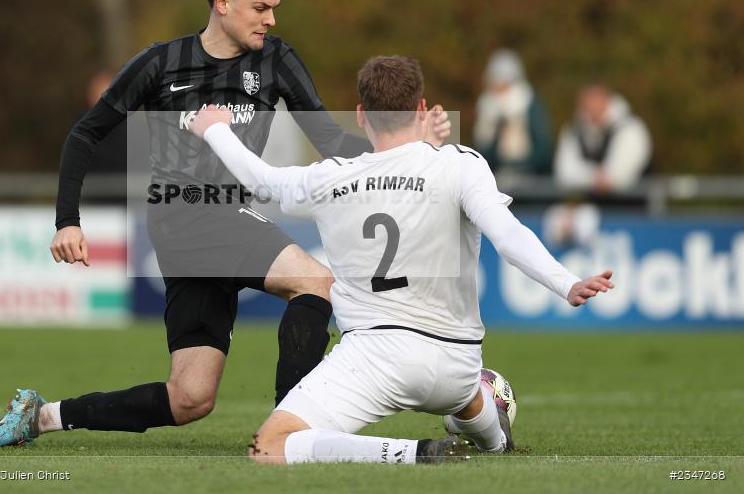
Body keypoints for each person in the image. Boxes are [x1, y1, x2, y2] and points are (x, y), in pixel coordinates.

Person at [0, 0, 450, 447]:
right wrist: (67, 219)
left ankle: (42, 416)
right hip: (183, 217)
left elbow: (331, 142)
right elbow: (84, 134)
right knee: (316, 283)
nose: (271, 19)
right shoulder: (161, 63)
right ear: (222, 3)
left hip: (228, 219)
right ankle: (291, 433)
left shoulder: (277, 60)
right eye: (260, 8)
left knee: (190, 398)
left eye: (274, 8)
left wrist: (409, 147)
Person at [188, 55, 614, 464]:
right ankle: (494, 439)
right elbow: (507, 236)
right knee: (465, 397)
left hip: (372, 359)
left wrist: (216, 129)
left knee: (270, 446)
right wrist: (566, 283)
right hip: (456, 365)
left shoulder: (330, 176)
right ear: (422, 107)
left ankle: (411, 453)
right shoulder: (461, 164)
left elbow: (262, 181)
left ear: (360, 114)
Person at [554, 83, 652, 195]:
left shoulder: (631, 127)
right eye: (587, 103)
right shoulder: (573, 130)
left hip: (635, 207)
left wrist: (602, 178)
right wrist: (594, 178)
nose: (592, 107)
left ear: (607, 99)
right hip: (591, 206)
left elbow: (622, 174)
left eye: (595, 100)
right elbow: (565, 172)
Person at [472, 49, 552, 177]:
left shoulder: (528, 103)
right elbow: (481, 150)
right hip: (496, 178)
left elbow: (543, 149)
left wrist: (517, 165)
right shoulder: (487, 108)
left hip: (529, 178)